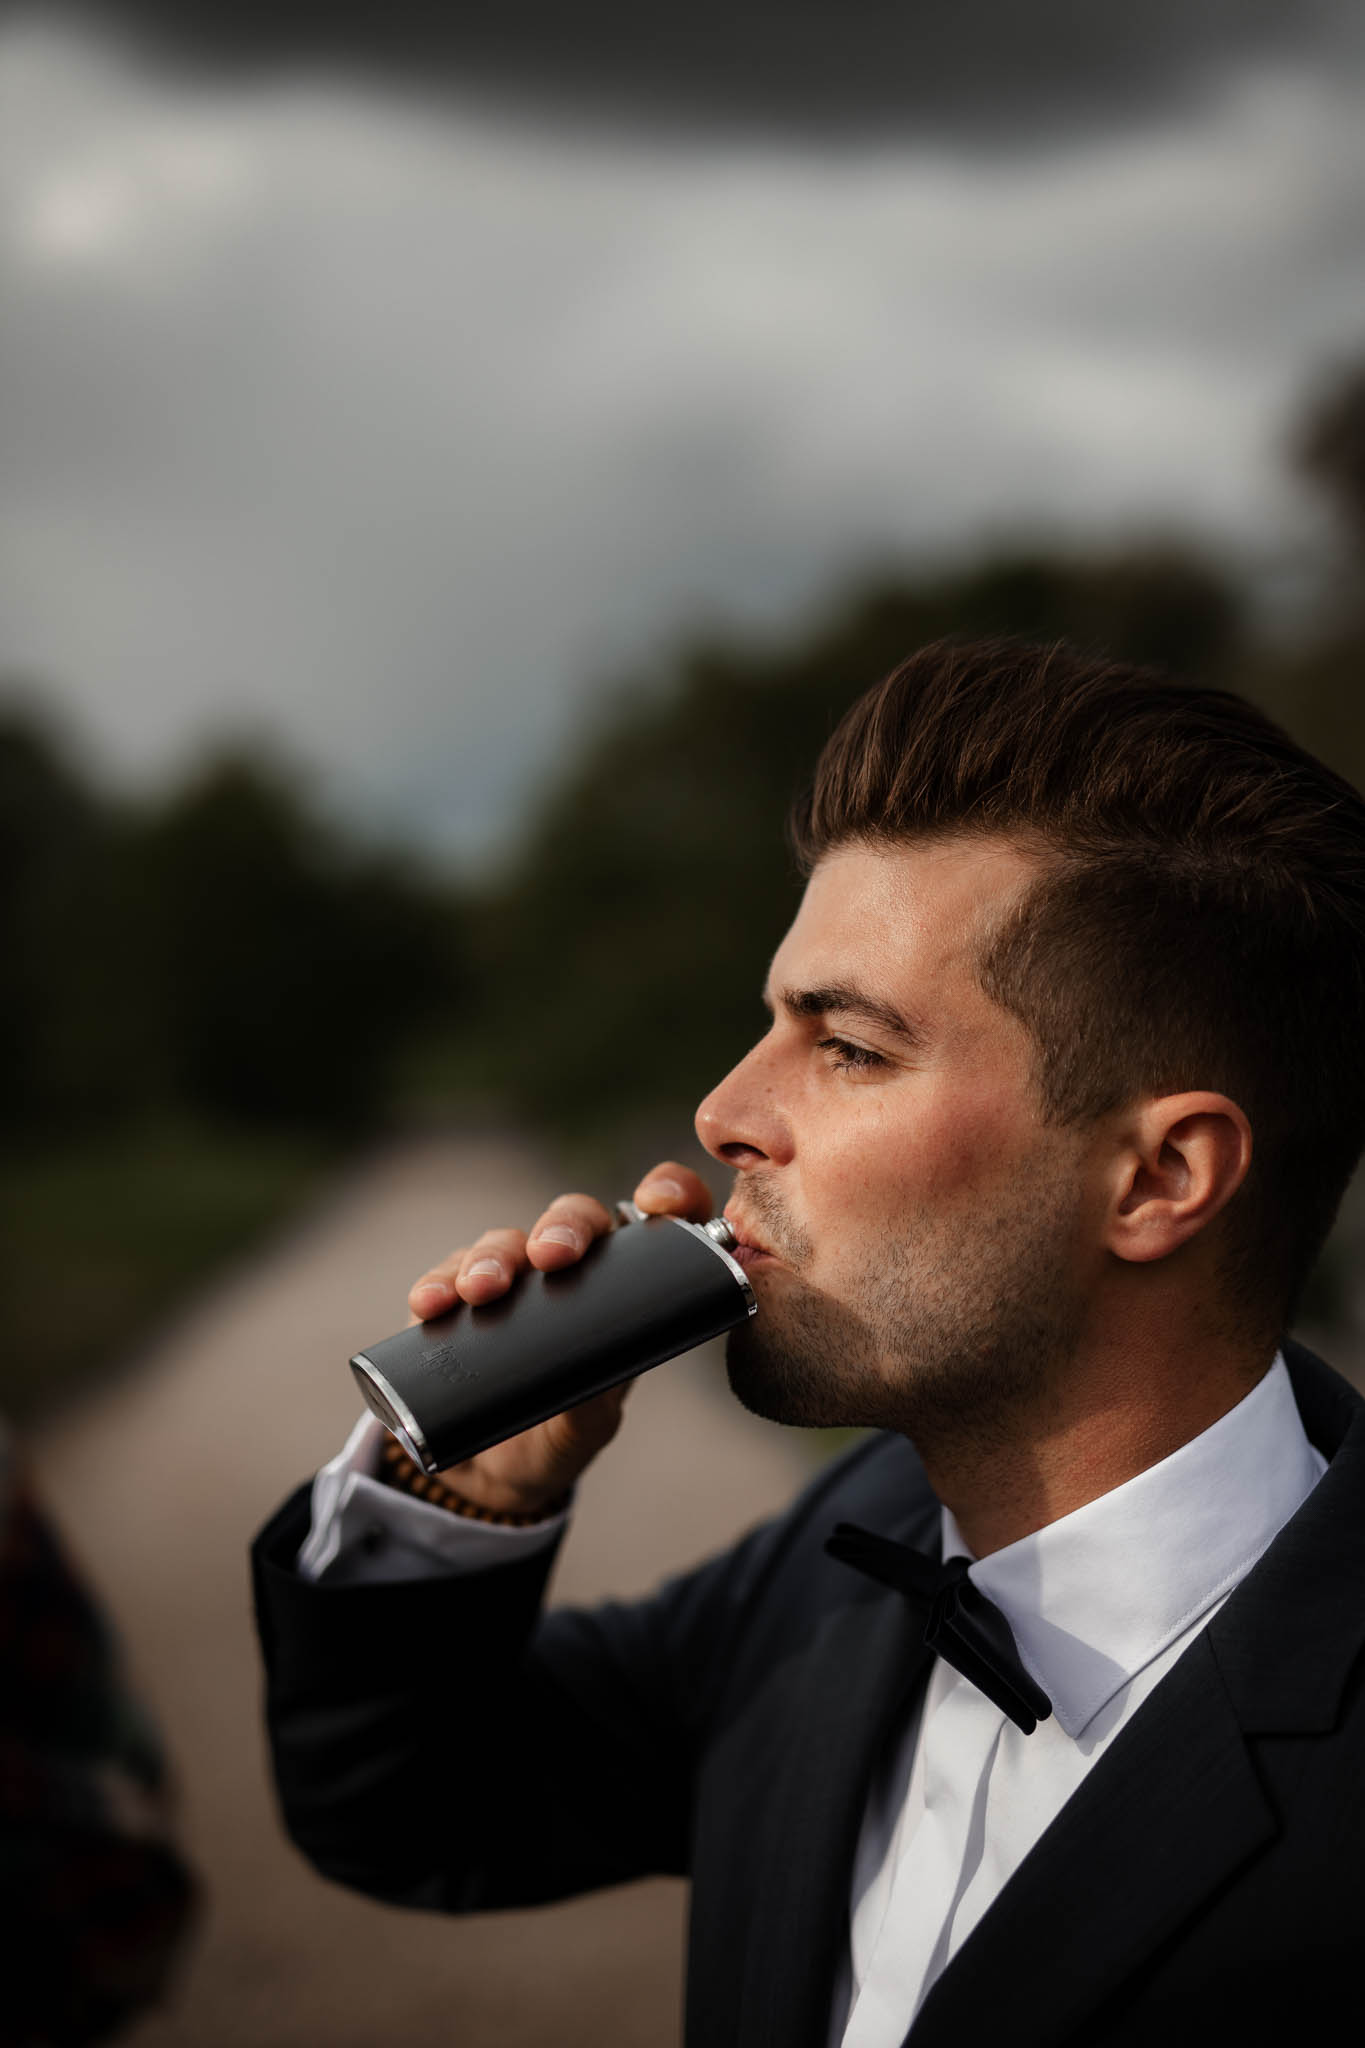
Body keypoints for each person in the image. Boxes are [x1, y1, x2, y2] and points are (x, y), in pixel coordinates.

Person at [252, 637, 1365, 2047]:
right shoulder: (851, 1540)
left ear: (1155, 1180)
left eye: (846, 1048)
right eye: (768, 1024)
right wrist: (480, 1485)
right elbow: (414, 1810)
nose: (721, 1112)